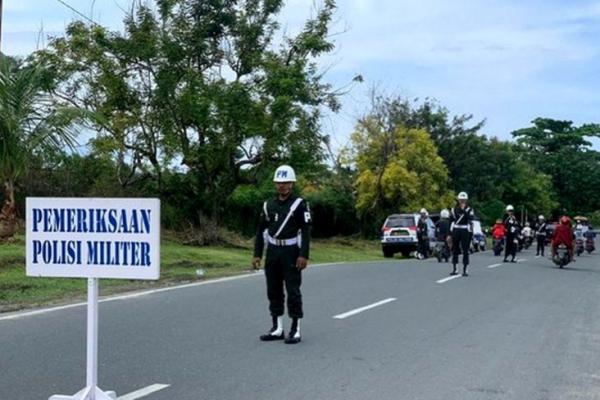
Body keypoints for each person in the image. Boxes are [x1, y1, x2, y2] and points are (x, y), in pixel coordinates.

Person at [252, 165, 311, 344]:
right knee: (273, 290)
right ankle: (277, 327)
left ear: (292, 184)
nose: (282, 186)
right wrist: (257, 254)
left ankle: (295, 329)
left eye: (285, 183)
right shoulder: (268, 205)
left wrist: (303, 255)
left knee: (293, 290)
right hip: (273, 252)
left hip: (291, 252)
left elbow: (306, 231)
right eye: (279, 183)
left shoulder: (300, 204)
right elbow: (261, 230)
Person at [449, 192, 475, 277]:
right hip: (456, 229)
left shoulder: (469, 209)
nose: (462, 201)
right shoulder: (454, 209)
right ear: (458, 200)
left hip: (465, 229)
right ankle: (455, 268)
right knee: (455, 249)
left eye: (464, 200)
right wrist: (449, 233)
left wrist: (464, 210)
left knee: (465, 249)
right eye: (461, 200)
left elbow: (470, 218)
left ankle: (465, 269)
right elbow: (451, 221)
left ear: (466, 200)